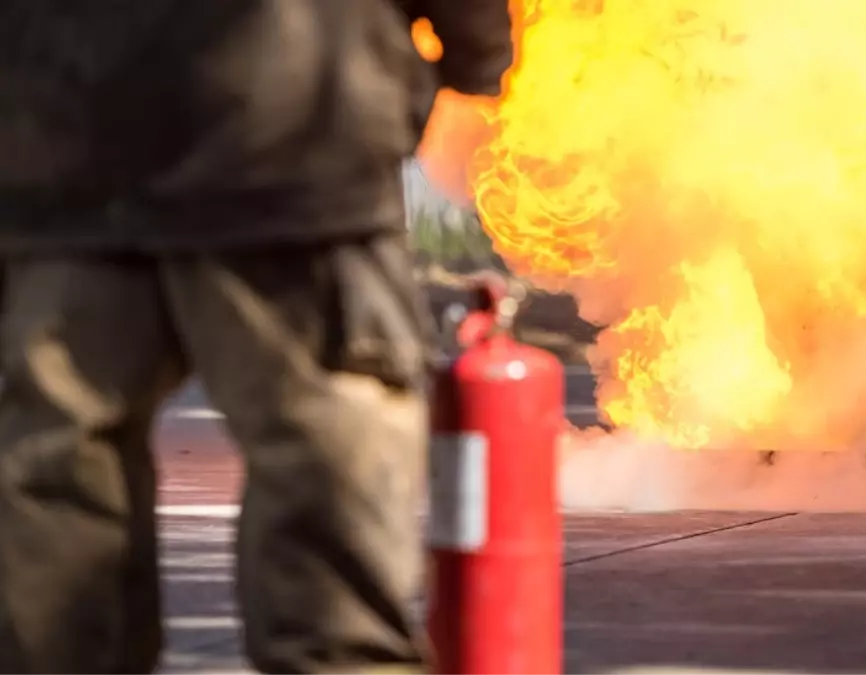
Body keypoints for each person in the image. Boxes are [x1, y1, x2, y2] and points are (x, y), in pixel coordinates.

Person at [0, 0, 512, 673]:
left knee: (56, 501)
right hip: (290, 152)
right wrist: (472, 53)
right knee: (327, 497)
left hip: (67, 153)